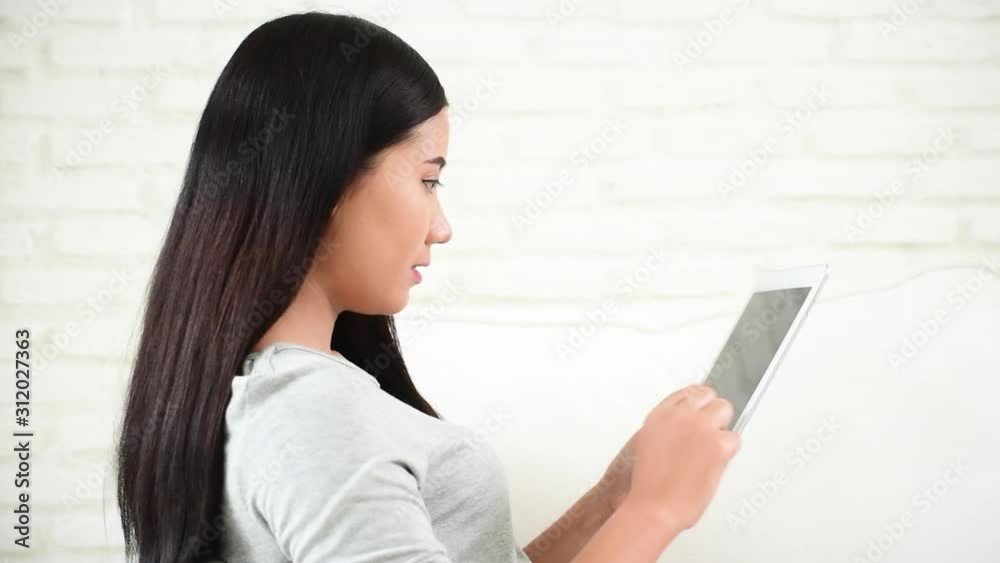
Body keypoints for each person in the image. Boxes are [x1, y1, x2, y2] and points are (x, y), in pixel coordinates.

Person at [114, 11, 741, 563]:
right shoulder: (314, 415)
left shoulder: (296, 395)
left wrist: (613, 499)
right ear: (327, 184)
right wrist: (655, 511)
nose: (441, 227)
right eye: (427, 180)